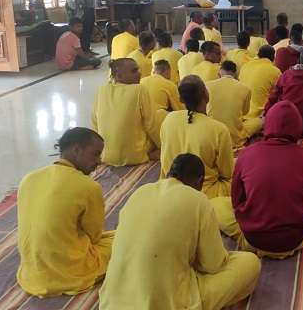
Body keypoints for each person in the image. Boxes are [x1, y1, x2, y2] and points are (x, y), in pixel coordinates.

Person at [99, 153, 260, 310]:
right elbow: (213, 265)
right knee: (250, 263)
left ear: (168, 173)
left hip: (112, 303)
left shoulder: (139, 192)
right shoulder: (198, 200)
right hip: (169, 303)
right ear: (199, 182)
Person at [211, 101, 303, 257]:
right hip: (293, 240)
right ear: (298, 126)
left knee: (215, 203)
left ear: (268, 124)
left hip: (251, 239)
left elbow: (236, 202)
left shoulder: (246, 154)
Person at [17, 127, 113, 297]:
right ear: (77, 150)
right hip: (69, 273)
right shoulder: (88, 187)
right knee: (125, 240)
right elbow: (95, 236)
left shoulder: (28, 179)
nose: (99, 161)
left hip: (32, 272)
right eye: (96, 154)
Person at [160, 75, 234, 198]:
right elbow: (227, 173)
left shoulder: (169, 119)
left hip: (169, 188)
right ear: (206, 94)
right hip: (204, 191)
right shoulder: (219, 129)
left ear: (181, 99)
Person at [91, 59, 160, 165]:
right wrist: (162, 147)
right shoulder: (139, 89)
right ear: (119, 76)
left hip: (105, 156)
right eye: (134, 71)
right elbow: (152, 124)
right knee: (161, 114)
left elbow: (94, 123)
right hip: (135, 157)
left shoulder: (101, 90)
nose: (139, 73)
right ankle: (147, 154)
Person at [206, 61, 261, 147]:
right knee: (260, 121)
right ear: (235, 73)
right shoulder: (245, 88)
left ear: (220, 71)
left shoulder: (207, 85)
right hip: (235, 137)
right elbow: (245, 112)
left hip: (212, 136)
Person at [239, 45, 281, 118]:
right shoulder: (274, 71)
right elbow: (280, 93)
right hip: (259, 116)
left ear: (258, 55)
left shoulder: (245, 66)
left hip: (241, 113)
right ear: (273, 58)